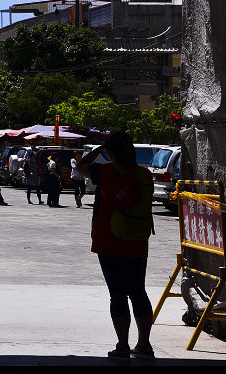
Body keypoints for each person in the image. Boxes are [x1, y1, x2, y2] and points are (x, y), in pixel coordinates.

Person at [76, 132, 156, 360]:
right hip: (137, 242)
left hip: (109, 241)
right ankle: (144, 344)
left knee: (118, 295)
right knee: (139, 292)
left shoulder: (105, 172)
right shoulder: (144, 174)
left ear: (111, 152)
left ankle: (122, 345)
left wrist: (100, 150)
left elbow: (81, 166)